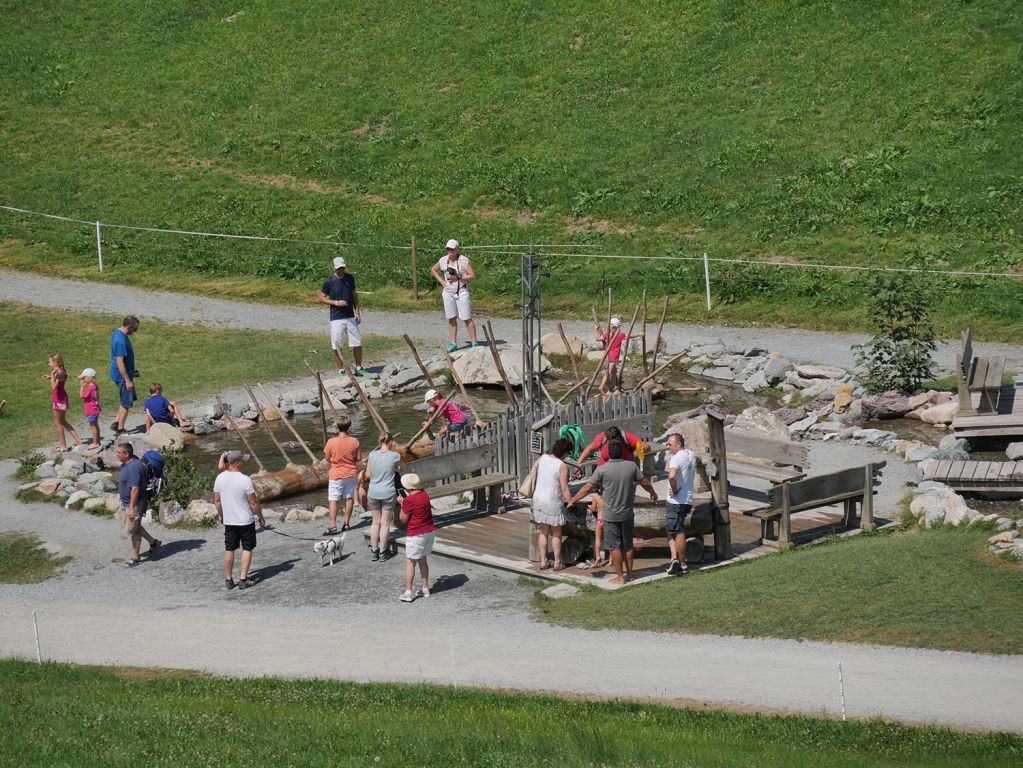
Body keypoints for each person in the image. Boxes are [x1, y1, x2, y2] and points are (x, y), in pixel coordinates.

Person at [569, 439, 657, 585]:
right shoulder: (631, 466)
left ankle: (620, 577)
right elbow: (645, 482)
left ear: (608, 453)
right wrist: (653, 493)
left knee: (615, 546)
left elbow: (586, 488)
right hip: (627, 513)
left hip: (610, 515)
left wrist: (573, 500)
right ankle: (630, 575)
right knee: (628, 545)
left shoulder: (602, 469)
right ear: (622, 452)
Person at [575, 425, 644, 566]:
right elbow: (589, 449)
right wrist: (578, 463)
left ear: (619, 437)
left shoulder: (627, 437)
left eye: (615, 441)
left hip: (624, 476)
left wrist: (641, 450)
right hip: (605, 478)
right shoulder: (602, 438)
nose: (612, 443)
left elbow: (642, 446)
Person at [213, 450, 266, 590]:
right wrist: (261, 517)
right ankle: (243, 578)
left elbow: (217, 500)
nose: (244, 463)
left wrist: (221, 515)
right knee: (247, 548)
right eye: (242, 460)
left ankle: (229, 579)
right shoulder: (245, 479)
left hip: (229, 521)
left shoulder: (220, 478)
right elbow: (253, 502)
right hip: (245, 521)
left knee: (229, 548)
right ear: (236, 463)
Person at [319, 256, 366, 376]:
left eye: (343, 268)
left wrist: (357, 311)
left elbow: (354, 295)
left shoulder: (350, 278)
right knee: (337, 344)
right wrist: (336, 303)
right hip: (336, 317)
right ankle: (341, 370)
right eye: (339, 268)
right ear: (333, 268)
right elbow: (322, 297)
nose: (341, 270)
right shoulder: (329, 281)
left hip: (350, 316)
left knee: (357, 342)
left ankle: (359, 367)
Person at [531, 438, 574, 571]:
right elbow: (564, 487)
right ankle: (557, 562)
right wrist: (571, 500)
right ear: (565, 452)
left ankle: (543, 561)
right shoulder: (562, 465)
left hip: (538, 498)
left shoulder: (542, 458)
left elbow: (533, 472)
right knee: (556, 532)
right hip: (552, 501)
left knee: (543, 530)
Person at [116, 442, 160, 568]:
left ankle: (135, 557)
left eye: (119, 452)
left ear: (127, 454)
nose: (117, 454)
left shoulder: (134, 467)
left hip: (134, 503)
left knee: (133, 531)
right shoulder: (128, 463)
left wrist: (131, 508)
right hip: (126, 502)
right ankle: (153, 542)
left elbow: (134, 489)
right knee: (135, 526)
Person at [431, 239, 478, 352]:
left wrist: (458, 277)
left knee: (466, 317)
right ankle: (453, 342)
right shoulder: (443, 260)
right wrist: (441, 281)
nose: (450, 251)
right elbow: (433, 269)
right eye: (448, 249)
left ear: (457, 249)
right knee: (451, 318)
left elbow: (472, 276)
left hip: (461, 292)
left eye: (452, 249)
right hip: (448, 293)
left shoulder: (463, 260)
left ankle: (474, 341)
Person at [365, 431, 403, 561]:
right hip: (388, 492)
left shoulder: (371, 455)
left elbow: (368, 475)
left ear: (380, 442)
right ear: (391, 441)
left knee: (375, 522)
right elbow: (403, 468)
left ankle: (374, 550)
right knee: (385, 523)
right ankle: (382, 552)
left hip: (373, 491)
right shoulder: (395, 455)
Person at [398, 473, 435, 602]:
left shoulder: (409, 501)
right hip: (429, 531)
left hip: (416, 534)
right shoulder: (425, 494)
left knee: (410, 562)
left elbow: (403, 519)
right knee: (423, 561)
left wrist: (402, 504)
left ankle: (408, 593)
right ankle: (425, 589)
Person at [665, 433, 697, 576]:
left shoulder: (676, 458)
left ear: (678, 444)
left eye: (669, 444)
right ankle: (674, 559)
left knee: (678, 532)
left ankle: (683, 564)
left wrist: (674, 489)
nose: (667, 446)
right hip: (687, 500)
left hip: (676, 501)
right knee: (671, 529)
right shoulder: (690, 454)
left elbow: (671, 476)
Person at [323, 416, 361, 535]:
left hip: (336, 474)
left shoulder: (331, 441)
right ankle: (346, 523)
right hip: (351, 473)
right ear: (349, 426)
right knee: (349, 498)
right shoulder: (355, 441)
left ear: (337, 426)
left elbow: (327, 458)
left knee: (333, 499)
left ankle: (333, 526)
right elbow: (358, 458)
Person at [43, 353, 83, 452]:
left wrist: (52, 374)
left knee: (58, 423)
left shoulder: (58, 373)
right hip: (62, 398)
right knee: (63, 421)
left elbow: (54, 387)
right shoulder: (62, 371)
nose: (49, 364)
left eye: (50, 362)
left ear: (56, 362)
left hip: (58, 399)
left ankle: (63, 446)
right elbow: (61, 380)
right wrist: (50, 376)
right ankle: (78, 439)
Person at [594, 317, 643, 394]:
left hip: (608, 355)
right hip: (613, 357)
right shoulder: (620, 334)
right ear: (618, 327)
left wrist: (596, 330)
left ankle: (613, 387)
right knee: (609, 372)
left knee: (614, 372)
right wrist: (639, 334)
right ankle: (601, 386)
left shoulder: (607, 334)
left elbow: (597, 339)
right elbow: (630, 336)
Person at [109, 316, 140, 433]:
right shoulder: (120, 340)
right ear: (129, 326)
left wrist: (132, 371)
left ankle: (116, 422)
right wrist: (127, 380)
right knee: (126, 402)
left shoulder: (118, 332)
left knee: (125, 398)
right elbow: (120, 361)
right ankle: (120, 429)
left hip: (123, 373)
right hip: (122, 376)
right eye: (135, 329)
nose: (135, 331)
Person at [77, 367, 102, 449]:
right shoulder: (95, 386)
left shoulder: (90, 388)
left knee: (93, 426)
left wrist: (82, 386)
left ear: (90, 378)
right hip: (95, 409)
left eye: (84, 378)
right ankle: (97, 441)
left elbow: (81, 396)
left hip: (91, 410)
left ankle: (95, 443)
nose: (83, 379)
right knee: (96, 426)